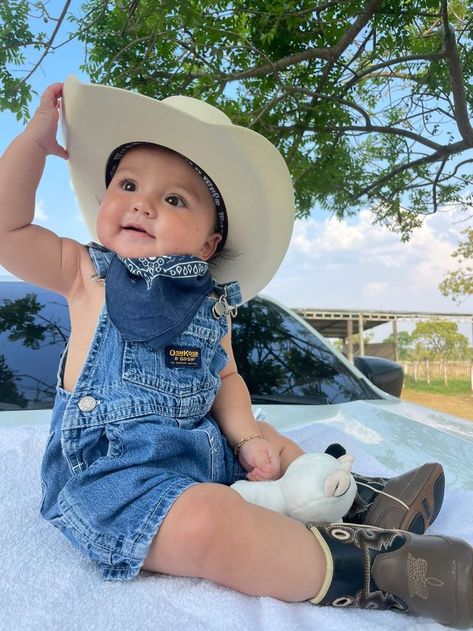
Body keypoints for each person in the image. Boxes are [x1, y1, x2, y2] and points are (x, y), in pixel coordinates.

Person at [0, 76, 471, 628]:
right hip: (114, 479)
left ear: (207, 244)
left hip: (201, 456)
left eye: (173, 199)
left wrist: (249, 439)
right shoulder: (85, 273)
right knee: (206, 522)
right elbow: (8, 228)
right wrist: (33, 142)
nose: (143, 204)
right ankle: (372, 570)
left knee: (268, 435)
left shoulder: (213, 305)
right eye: (127, 184)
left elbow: (224, 381)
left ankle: (359, 499)